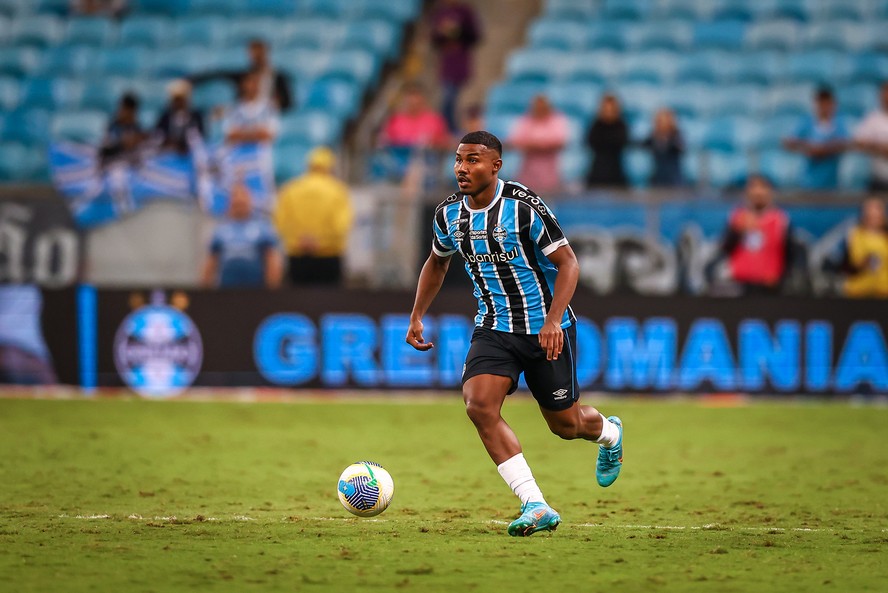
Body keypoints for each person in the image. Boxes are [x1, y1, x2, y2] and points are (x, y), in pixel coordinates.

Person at [405, 131, 624, 537]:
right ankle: (534, 503)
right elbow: (437, 263)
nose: (462, 168)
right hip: (493, 328)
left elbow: (569, 263)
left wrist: (554, 319)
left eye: (473, 160)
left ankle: (609, 434)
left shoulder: (524, 207)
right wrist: (417, 315)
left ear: (495, 166)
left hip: (545, 330)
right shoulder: (449, 214)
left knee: (566, 425)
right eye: (458, 160)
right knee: (478, 405)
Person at [274, 147, 354, 286]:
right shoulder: (338, 190)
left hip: (298, 255)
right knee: (330, 303)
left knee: (298, 304)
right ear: (330, 166)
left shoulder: (290, 189)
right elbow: (341, 225)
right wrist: (321, 242)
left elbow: (280, 221)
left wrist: (299, 240)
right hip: (329, 256)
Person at [718, 175, 791, 295]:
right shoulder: (736, 217)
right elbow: (724, 248)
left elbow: (789, 252)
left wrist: (781, 277)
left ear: (770, 192)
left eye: (762, 187)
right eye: (753, 187)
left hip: (770, 286)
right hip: (739, 284)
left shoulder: (781, 219)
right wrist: (737, 230)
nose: (758, 192)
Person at [201, 182, 283, 289]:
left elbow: (271, 260)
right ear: (229, 202)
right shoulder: (220, 230)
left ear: (250, 200)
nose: (239, 200)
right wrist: (205, 290)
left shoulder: (263, 228)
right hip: (226, 292)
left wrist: (271, 291)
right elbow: (211, 262)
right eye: (235, 197)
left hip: (256, 291)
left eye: (243, 197)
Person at [191, 39, 293, 112]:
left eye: (259, 54)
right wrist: (192, 80)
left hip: (270, 118)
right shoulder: (244, 76)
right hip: (245, 118)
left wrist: (277, 104)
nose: (256, 58)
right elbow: (219, 73)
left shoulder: (279, 77)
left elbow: (288, 104)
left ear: (266, 53)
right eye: (253, 54)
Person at [374, 83, 451, 180]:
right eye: (410, 97)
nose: (413, 101)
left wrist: (432, 143)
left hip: (424, 163)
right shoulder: (395, 120)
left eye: (416, 96)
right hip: (397, 162)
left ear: (423, 99)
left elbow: (446, 143)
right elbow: (383, 140)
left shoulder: (434, 120)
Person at [429, 0, 482, 132]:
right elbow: (434, 39)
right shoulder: (440, 12)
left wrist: (459, 29)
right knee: (447, 99)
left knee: (452, 98)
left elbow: (475, 35)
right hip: (446, 64)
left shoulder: (465, 11)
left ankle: (454, 129)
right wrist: (442, 32)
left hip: (461, 62)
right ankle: (450, 129)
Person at [782, 86, 849, 190]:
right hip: (809, 181)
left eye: (827, 103)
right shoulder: (806, 122)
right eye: (821, 103)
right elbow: (789, 142)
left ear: (833, 104)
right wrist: (809, 147)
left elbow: (844, 144)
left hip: (831, 182)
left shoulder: (839, 123)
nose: (824, 107)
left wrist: (822, 149)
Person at [508, 94, 568, 194]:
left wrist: (532, 145)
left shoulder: (556, 120)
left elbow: (558, 143)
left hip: (549, 177)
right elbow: (515, 142)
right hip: (527, 176)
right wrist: (541, 145)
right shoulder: (526, 120)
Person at [838, 198, 888, 298]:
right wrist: (866, 261)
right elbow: (855, 260)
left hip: (884, 290)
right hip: (859, 290)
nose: (874, 217)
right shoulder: (856, 234)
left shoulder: (885, 236)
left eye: (877, 212)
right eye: (870, 214)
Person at [223, 71, 279, 148]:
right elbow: (230, 136)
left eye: (256, 82)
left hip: (261, 157)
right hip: (238, 156)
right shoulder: (234, 108)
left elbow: (268, 135)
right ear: (243, 85)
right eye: (251, 82)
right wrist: (256, 132)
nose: (254, 86)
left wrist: (242, 133)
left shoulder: (269, 107)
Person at [586, 94, 629, 188]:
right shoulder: (595, 125)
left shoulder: (621, 126)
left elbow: (620, 143)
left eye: (611, 109)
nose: (608, 112)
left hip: (616, 172)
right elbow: (590, 142)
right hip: (597, 171)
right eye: (606, 109)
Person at [853, 82, 888, 192]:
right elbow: (858, 141)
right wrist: (878, 147)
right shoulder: (873, 118)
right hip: (878, 178)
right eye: (885, 93)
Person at [154, 79, 204, 155]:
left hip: (190, 153)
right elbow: (158, 135)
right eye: (176, 100)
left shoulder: (195, 116)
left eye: (181, 100)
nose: (178, 103)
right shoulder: (165, 117)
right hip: (170, 152)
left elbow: (199, 138)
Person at [642, 108, 684, 187]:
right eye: (660, 121)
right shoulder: (653, 136)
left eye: (665, 120)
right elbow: (642, 145)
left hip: (673, 178)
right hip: (657, 177)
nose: (663, 123)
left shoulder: (676, 136)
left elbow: (680, 148)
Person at [100, 92, 145, 165]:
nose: (120, 111)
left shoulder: (137, 128)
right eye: (120, 108)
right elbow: (105, 147)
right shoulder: (113, 126)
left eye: (122, 108)